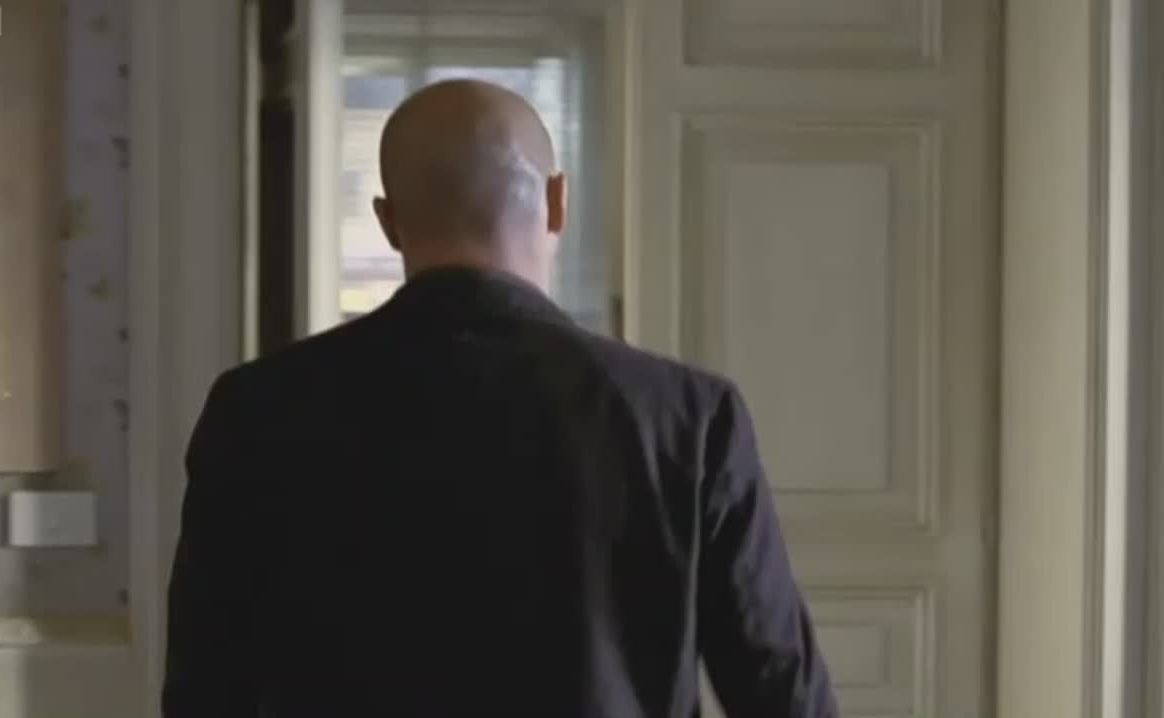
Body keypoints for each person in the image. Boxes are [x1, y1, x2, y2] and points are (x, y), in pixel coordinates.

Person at [163, 78, 838, 718]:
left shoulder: (256, 411)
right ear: (557, 201)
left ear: (389, 222)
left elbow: (205, 689)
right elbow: (780, 692)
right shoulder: (687, 418)